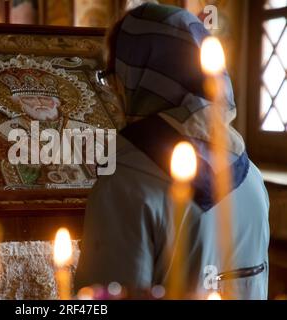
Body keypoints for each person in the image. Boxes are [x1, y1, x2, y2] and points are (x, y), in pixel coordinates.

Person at [74, 3, 270, 300]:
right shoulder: (253, 179)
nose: (113, 92)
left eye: (112, 77)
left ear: (133, 80)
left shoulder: (123, 187)